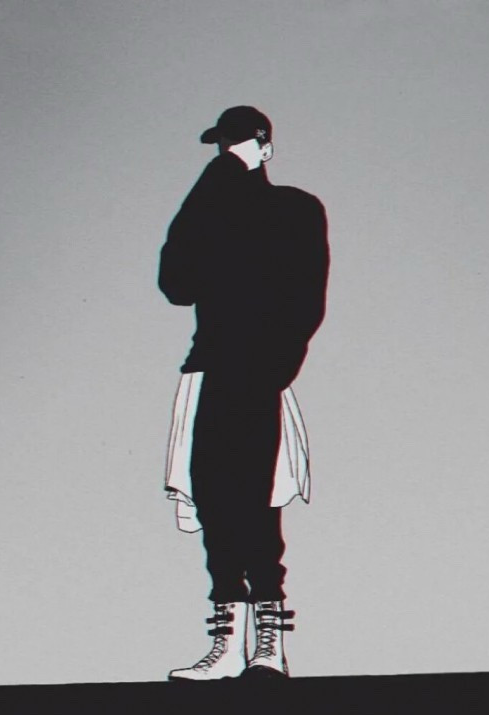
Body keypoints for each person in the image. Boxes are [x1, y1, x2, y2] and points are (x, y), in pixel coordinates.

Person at [158, 106, 330, 681]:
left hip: (258, 373)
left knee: (256, 508)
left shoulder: (294, 208)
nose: (228, 153)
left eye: (239, 143)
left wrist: (276, 369)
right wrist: (214, 180)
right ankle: (228, 643)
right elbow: (175, 284)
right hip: (209, 368)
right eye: (221, 146)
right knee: (214, 507)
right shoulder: (211, 210)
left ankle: (269, 644)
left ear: (266, 147)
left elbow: (308, 297)